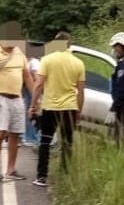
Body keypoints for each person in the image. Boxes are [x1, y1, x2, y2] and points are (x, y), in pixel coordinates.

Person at [29, 31, 85, 187]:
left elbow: (39, 84)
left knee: (45, 141)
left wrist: (33, 105)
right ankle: (65, 174)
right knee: (67, 142)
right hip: (70, 107)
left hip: (50, 107)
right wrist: (78, 111)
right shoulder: (78, 63)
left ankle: (41, 177)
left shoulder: (47, 60)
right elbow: (81, 91)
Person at [0, 22, 34, 182]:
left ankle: (11, 169)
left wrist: (35, 98)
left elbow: (27, 76)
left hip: (16, 98)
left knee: (15, 134)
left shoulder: (19, 53)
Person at [22, 42, 42, 147]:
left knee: (30, 113)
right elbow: (36, 77)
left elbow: (35, 77)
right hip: (31, 90)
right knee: (32, 113)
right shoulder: (32, 62)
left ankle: (28, 136)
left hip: (28, 90)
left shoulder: (30, 62)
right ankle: (32, 137)